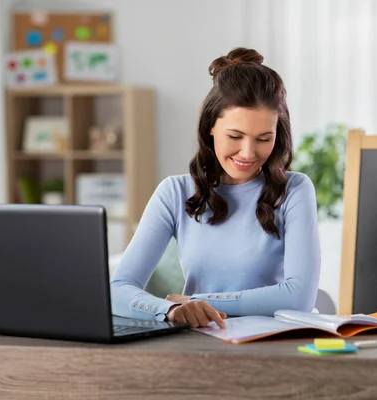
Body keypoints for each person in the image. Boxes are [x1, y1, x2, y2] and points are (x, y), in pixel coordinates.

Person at [110, 47, 321, 329]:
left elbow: (300, 297)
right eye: (235, 136)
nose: (248, 153)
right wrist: (171, 309)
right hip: (202, 345)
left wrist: (199, 301)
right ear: (211, 126)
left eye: (263, 138)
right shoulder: (174, 193)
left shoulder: (294, 190)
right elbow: (118, 288)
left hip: (275, 345)